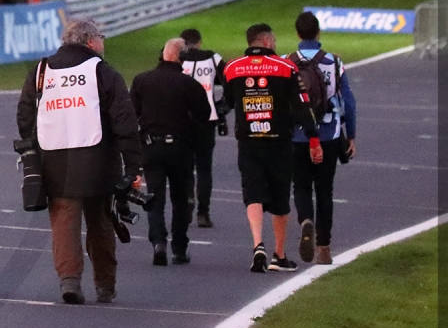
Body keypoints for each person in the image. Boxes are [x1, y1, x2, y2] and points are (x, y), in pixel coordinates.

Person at [16, 18, 143, 304]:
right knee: (101, 224)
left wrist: (34, 150)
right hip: (99, 163)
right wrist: (134, 166)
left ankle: (69, 282)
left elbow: (25, 116)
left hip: (54, 162)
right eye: (101, 36)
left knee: (63, 224)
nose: (103, 42)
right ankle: (105, 285)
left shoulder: (40, 71)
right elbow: (125, 122)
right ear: (90, 41)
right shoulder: (102, 71)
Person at [223, 23, 322, 273]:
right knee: (280, 197)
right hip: (278, 140)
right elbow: (303, 106)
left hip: (248, 140)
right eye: (274, 41)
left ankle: (258, 243)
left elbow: (225, 102)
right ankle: (279, 254)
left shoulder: (232, 68)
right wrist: (313, 138)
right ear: (267, 41)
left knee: (253, 193)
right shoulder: (286, 67)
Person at [130, 38, 211, 266]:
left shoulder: (141, 80)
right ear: (180, 58)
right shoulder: (189, 84)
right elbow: (204, 116)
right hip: (180, 147)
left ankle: (158, 241)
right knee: (180, 199)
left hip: (151, 146)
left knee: (154, 196)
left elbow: (131, 114)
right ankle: (179, 247)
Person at [289, 11, 357, 265]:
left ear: (297, 34)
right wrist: (352, 134)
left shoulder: (287, 62)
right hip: (329, 133)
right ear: (318, 33)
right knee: (325, 190)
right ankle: (324, 248)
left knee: (301, 185)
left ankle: (305, 219)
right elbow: (348, 102)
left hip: (297, 135)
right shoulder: (334, 62)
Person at [178, 27, 228, 229]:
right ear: (199, 42)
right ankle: (203, 213)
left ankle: (188, 198)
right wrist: (222, 107)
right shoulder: (212, 57)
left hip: (183, 120)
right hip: (208, 117)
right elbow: (229, 80)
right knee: (204, 168)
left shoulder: (179, 59)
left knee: (186, 167)